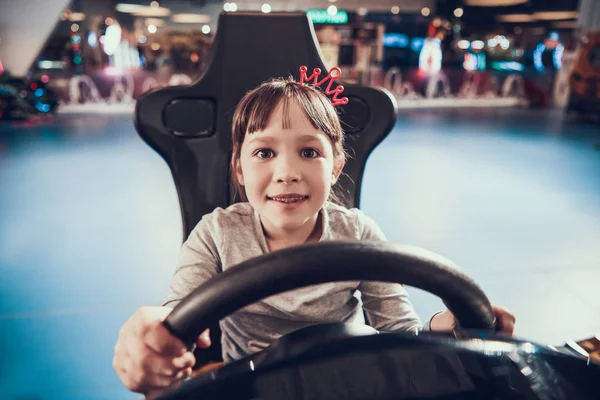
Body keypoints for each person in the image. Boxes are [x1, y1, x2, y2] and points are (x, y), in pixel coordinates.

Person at [113, 68, 516, 398]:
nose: (287, 173)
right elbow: (179, 313)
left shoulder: (358, 232)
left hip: (348, 380)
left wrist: (450, 325)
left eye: (309, 152)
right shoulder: (216, 234)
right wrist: (154, 333)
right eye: (264, 153)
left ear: (336, 166)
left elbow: (401, 335)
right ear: (239, 168)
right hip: (255, 386)